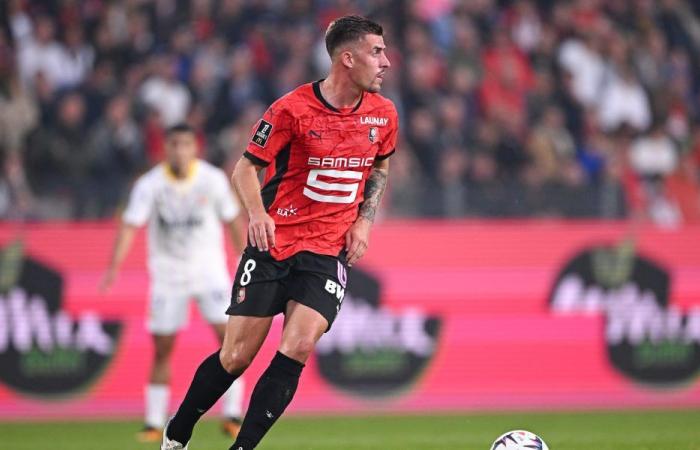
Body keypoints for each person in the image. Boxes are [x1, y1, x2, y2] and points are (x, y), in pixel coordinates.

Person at [161, 15, 398, 450]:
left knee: (299, 344)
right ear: (348, 58)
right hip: (274, 244)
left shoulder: (383, 115)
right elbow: (245, 167)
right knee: (235, 357)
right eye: (377, 52)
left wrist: (364, 219)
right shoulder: (291, 109)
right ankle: (176, 434)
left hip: (328, 251)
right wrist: (256, 213)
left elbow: (380, 163)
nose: (386, 62)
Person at [100, 124, 247, 442]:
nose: (179, 150)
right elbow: (129, 225)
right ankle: (154, 422)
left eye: (185, 144)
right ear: (165, 148)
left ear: (196, 148)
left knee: (231, 343)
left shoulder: (212, 179)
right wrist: (113, 267)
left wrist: (243, 260)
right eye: (174, 144)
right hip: (168, 276)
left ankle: (233, 414)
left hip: (209, 271)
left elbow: (233, 219)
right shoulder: (150, 185)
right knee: (162, 348)